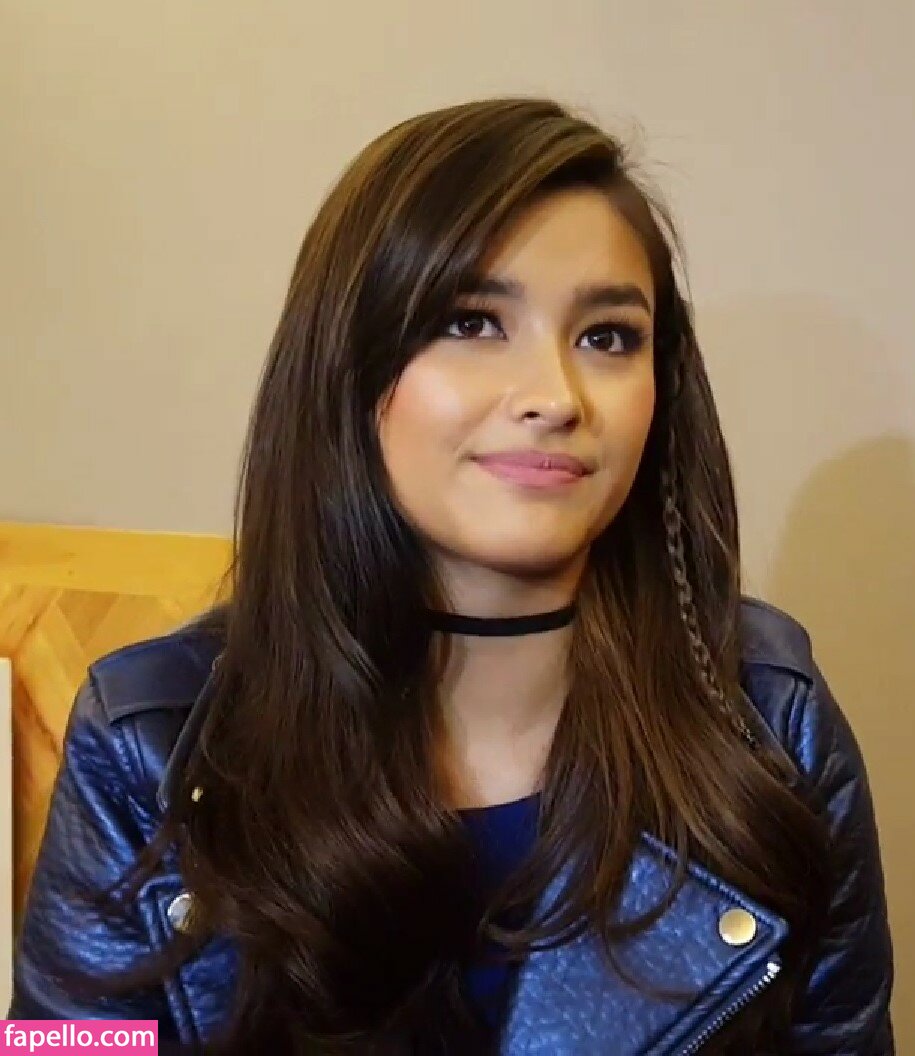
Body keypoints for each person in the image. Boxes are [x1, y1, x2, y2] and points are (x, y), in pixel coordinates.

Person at [9, 98, 893, 1054]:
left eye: (607, 336)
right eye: (472, 322)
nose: (554, 397)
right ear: (348, 368)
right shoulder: (146, 742)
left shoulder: (771, 721)